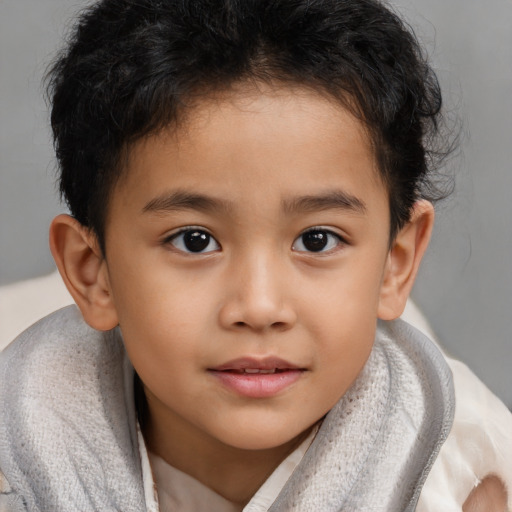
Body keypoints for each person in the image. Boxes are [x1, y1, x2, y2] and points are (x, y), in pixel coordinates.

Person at [0, 0, 510, 510]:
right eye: (194, 240)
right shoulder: (20, 457)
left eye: (317, 240)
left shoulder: (460, 476)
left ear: (395, 263)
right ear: (93, 274)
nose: (260, 307)